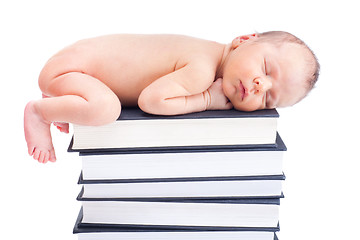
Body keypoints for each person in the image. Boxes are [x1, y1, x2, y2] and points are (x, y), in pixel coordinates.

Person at [24, 31, 320, 163]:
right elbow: (152, 101)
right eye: (266, 68)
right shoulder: (202, 69)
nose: (260, 85)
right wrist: (206, 100)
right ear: (243, 40)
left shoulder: (208, 52)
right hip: (72, 70)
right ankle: (40, 112)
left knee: (103, 102)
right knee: (106, 108)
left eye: (269, 99)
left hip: (76, 67)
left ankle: (63, 103)